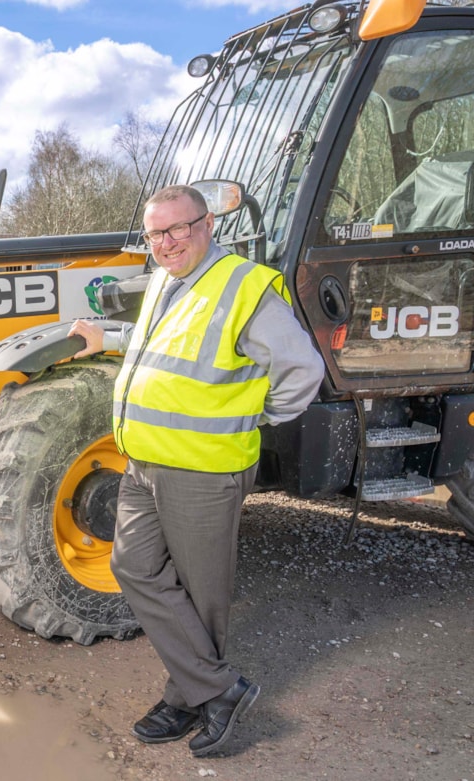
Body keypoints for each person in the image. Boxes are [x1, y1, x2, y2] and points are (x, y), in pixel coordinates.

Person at [68, 184, 324, 756]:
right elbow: (160, 346)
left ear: (207, 225)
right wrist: (105, 337)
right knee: (134, 567)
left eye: (179, 228)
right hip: (144, 460)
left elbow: (302, 368)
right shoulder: (165, 278)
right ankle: (215, 690)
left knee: (201, 593)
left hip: (203, 469)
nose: (168, 241)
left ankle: (188, 696)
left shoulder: (243, 286)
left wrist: (252, 415)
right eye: (158, 232)